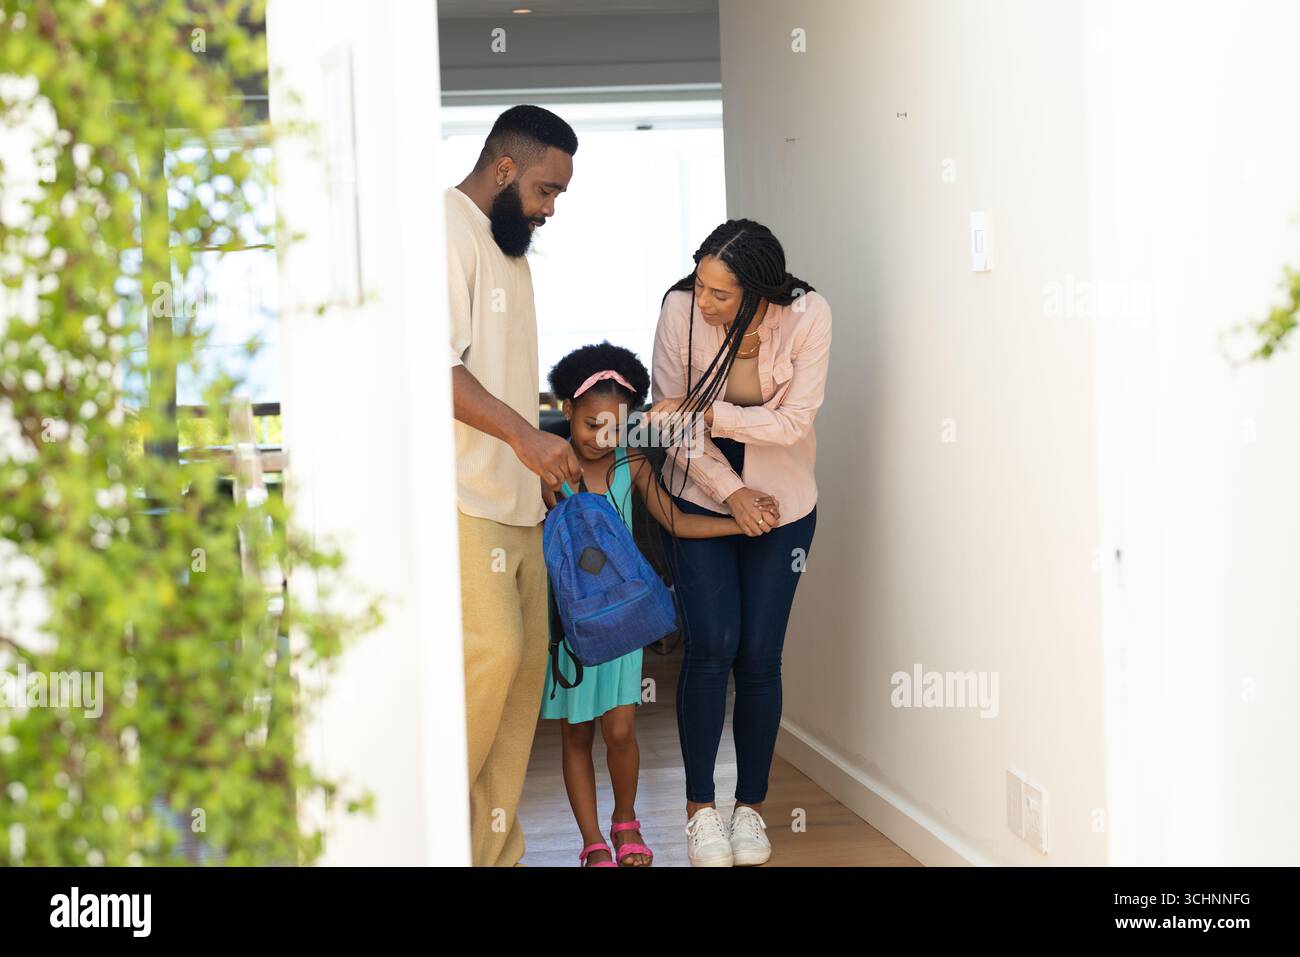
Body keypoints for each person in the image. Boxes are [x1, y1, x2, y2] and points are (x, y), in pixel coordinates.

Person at [539, 342, 776, 867]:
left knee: (621, 729)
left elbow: (672, 518)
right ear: (566, 412)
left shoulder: (630, 462)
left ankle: (626, 822)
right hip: (571, 628)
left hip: (623, 625)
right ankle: (591, 839)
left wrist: (735, 523)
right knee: (576, 732)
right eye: (590, 424)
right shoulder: (549, 470)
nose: (602, 438)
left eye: (615, 427)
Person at [647, 219, 832, 866]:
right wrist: (729, 491)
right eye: (701, 285)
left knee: (759, 653)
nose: (705, 302)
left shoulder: (808, 314)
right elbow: (668, 416)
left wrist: (704, 409)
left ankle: (749, 809)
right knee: (713, 644)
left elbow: (792, 422)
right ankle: (700, 810)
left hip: (786, 506)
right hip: (700, 492)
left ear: (758, 292)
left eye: (720, 294)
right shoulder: (678, 307)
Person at [447, 104, 583, 867]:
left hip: (520, 504)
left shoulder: (514, 252)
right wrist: (528, 437)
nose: (549, 208)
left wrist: (540, 463)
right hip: (464, 499)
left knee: (521, 688)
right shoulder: (445, 229)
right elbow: (439, 372)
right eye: (543, 189)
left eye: (558, 195)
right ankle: (423, 835)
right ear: (503, 169)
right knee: (490, 660)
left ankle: (494, 856)